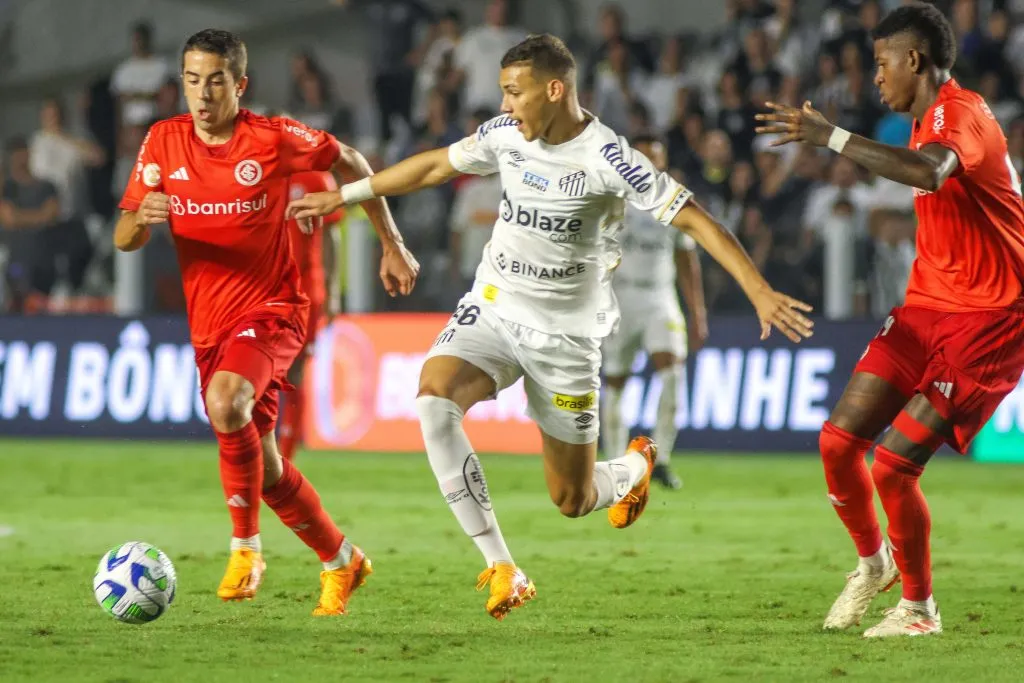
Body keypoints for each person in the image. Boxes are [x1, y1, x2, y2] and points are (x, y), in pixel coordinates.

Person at [289, 33, 812, 621]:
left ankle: (636, 464)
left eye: (515, 92)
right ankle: (503, 568)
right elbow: (436, 164)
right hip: (494, 305)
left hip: (566, 338)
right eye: (504, 93)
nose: (506, 105)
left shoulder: (610, 159)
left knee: (573, 498)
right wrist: (348, 194)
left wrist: (759, 291)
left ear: (555, 89)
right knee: (434, 399)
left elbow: (695, 220)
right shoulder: (505, 136)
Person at [114, 29, 419, 615]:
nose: (202, 95)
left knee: (229, 404)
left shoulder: (272, 139)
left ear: (240, 84)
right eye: (192, 81)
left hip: (275, 309)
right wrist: (143, 219)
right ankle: (341, 559)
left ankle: (246, 548)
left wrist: (391, 242)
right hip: (210, 325)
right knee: (266, 462)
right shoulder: (162, 142)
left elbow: (350, 160)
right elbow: (124, 236)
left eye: (216, 81)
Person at [755, 2, 1024, 638]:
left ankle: (919, 611)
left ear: (914, 60)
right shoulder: (925, 116)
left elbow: (932, 173)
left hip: (989, 318)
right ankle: (872, 564)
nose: (875, 77)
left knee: (893, 468)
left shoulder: (957, 113)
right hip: (927, 305)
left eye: (881, 64)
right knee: (838, 443)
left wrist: (833, 138)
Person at [600, 133, 708, 490]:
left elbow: (687, 259)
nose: (649, 165)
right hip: (621, 297)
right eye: (643, 158)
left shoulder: (674, 202)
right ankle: (616, 461)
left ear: (662, 163)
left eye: (655, 158)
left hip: (661, 296)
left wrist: (698, 313)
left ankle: (661, 459)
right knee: (615, 381)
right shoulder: (612, 201)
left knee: (673, 372)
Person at [278, 167, 344, 462]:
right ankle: (253, 448)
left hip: (305, 290)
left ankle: (286, 455)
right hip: (261, 290)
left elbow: (332, 236)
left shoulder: (317, 180)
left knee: (295, 371)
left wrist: (332, 289)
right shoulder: (252, 174)